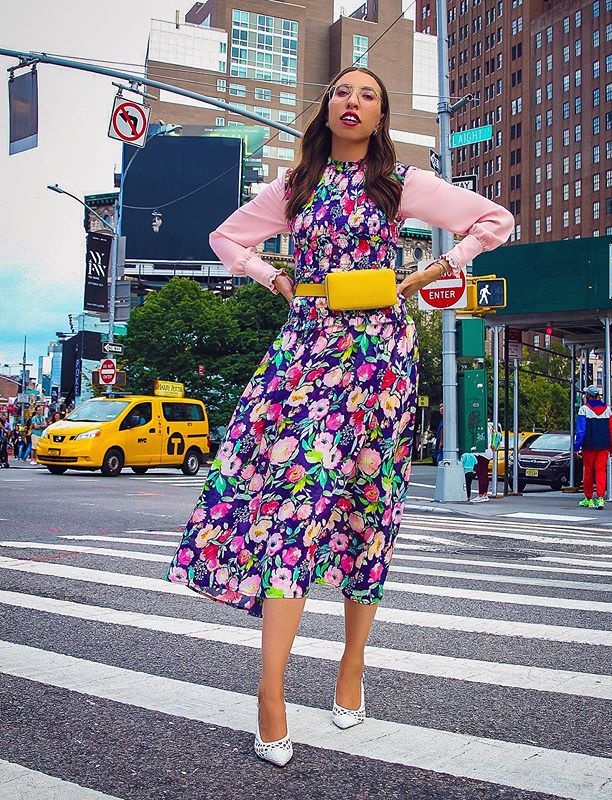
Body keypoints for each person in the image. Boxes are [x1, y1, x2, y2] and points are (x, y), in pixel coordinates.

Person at [163, 65, 514, 767]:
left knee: (367, 509)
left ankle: (352, 666)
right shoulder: (293, 188)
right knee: (292, 504)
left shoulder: (403, 183)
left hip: (379, 356)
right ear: (325, 109)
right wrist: (275, 276)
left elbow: (494, 219)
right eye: (342, 92)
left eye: (368, 95)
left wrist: (433, 271)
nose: (352, 102)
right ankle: (270, 692)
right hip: (305, 349)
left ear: (380, 116)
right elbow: (226, 240)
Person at [574, 385, 612, 510]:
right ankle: (601, 499)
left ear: (587, 396)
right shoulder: (608, 409)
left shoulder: (584, 409)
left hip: (589, 445)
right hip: (603, 445)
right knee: (601, 471)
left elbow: (581, 431)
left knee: (588, 471)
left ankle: (588, 499)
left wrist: (576, 447)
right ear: (598, 395)